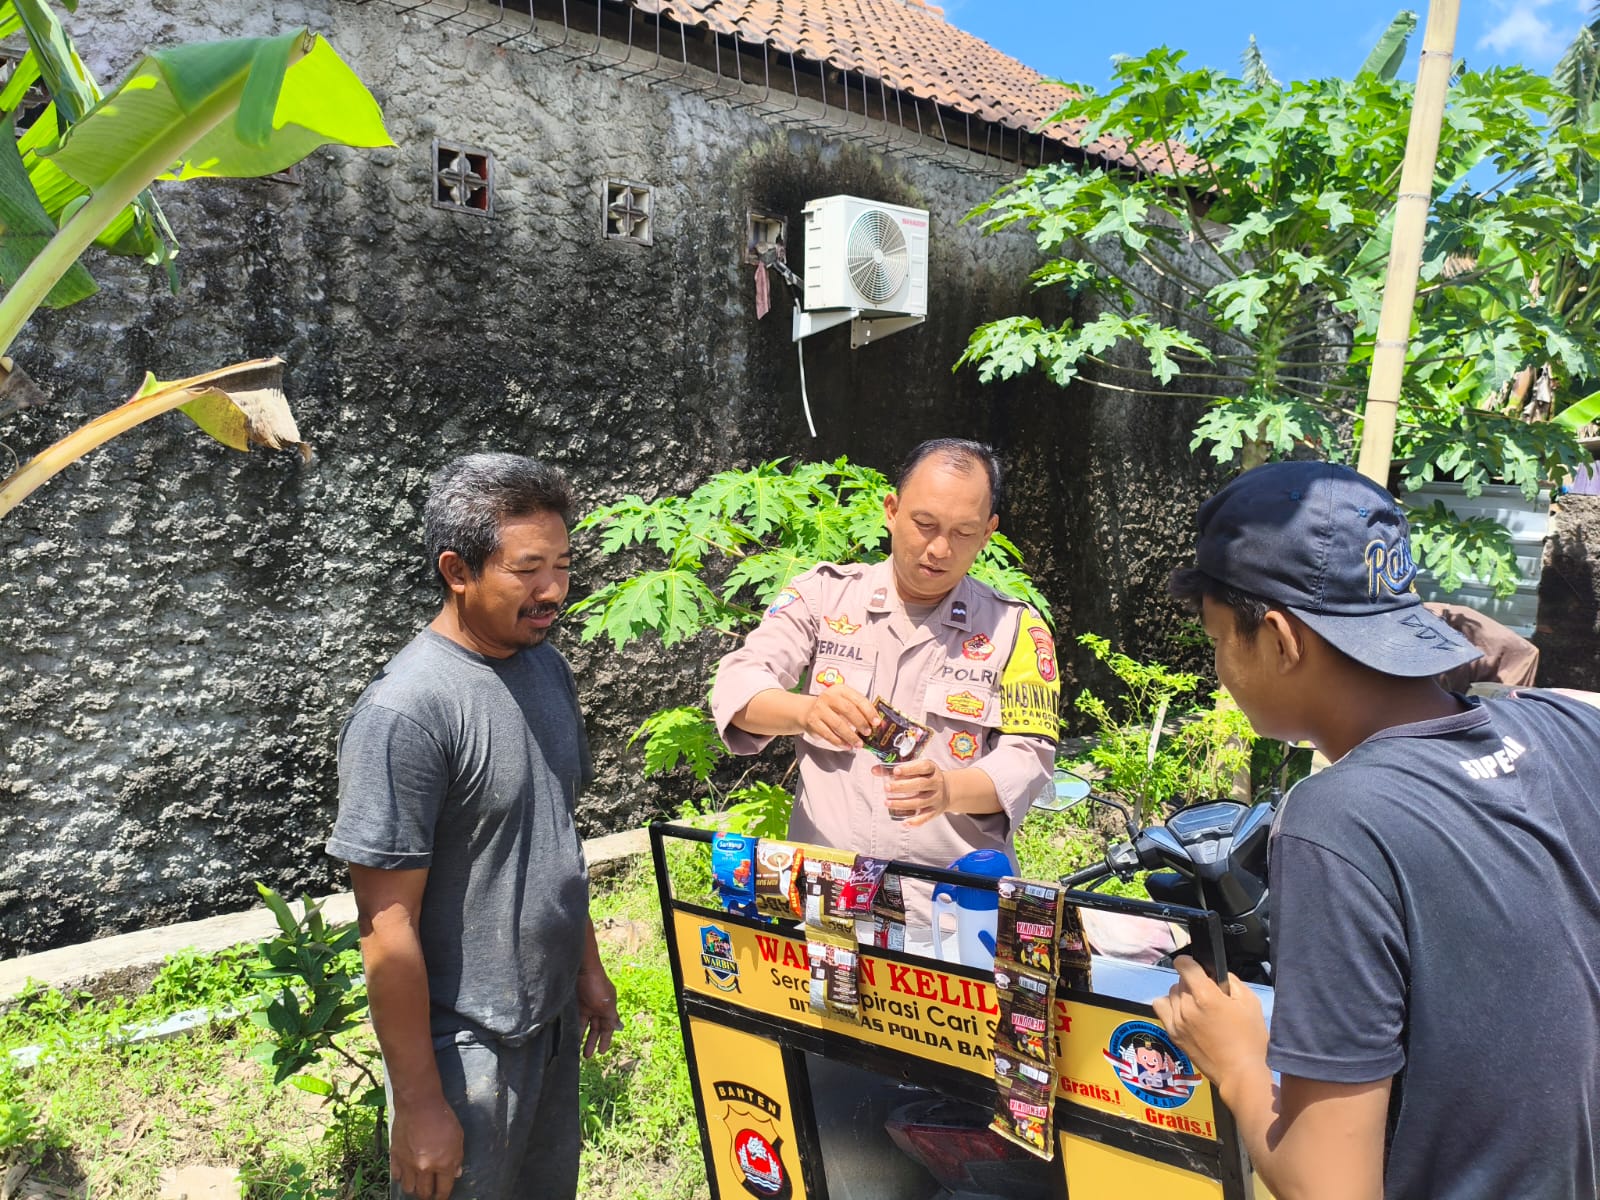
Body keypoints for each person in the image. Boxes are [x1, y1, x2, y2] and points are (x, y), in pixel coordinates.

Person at [1153, 460, 1600, 1200]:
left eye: (1218, 639)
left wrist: (1236, 1060)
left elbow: (1331, 1188)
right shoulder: (1569, 727)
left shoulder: (1337, 819)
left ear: (1279, 639)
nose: (1220, 668)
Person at [327, 453, 620, 1200]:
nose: (553, 590)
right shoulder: (407, 713)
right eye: (528, 570)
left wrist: (584, 967)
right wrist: (421, 1104)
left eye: (562, 565)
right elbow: (386, 922)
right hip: (463, 1048)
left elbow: (553, 834)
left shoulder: (545, 669)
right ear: (457, 571)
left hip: (549, 1020)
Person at [710, 439, 1059, 924]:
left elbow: (1030, 759)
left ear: (987, 533)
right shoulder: (822, 597)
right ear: (891, 511)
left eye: (963, 532)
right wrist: (805, 711)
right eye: (925, 524)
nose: (939, 549)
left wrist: (949, 790)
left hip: (951, 912)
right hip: (828, 901)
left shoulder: (1017, 628)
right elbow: (739, 684)